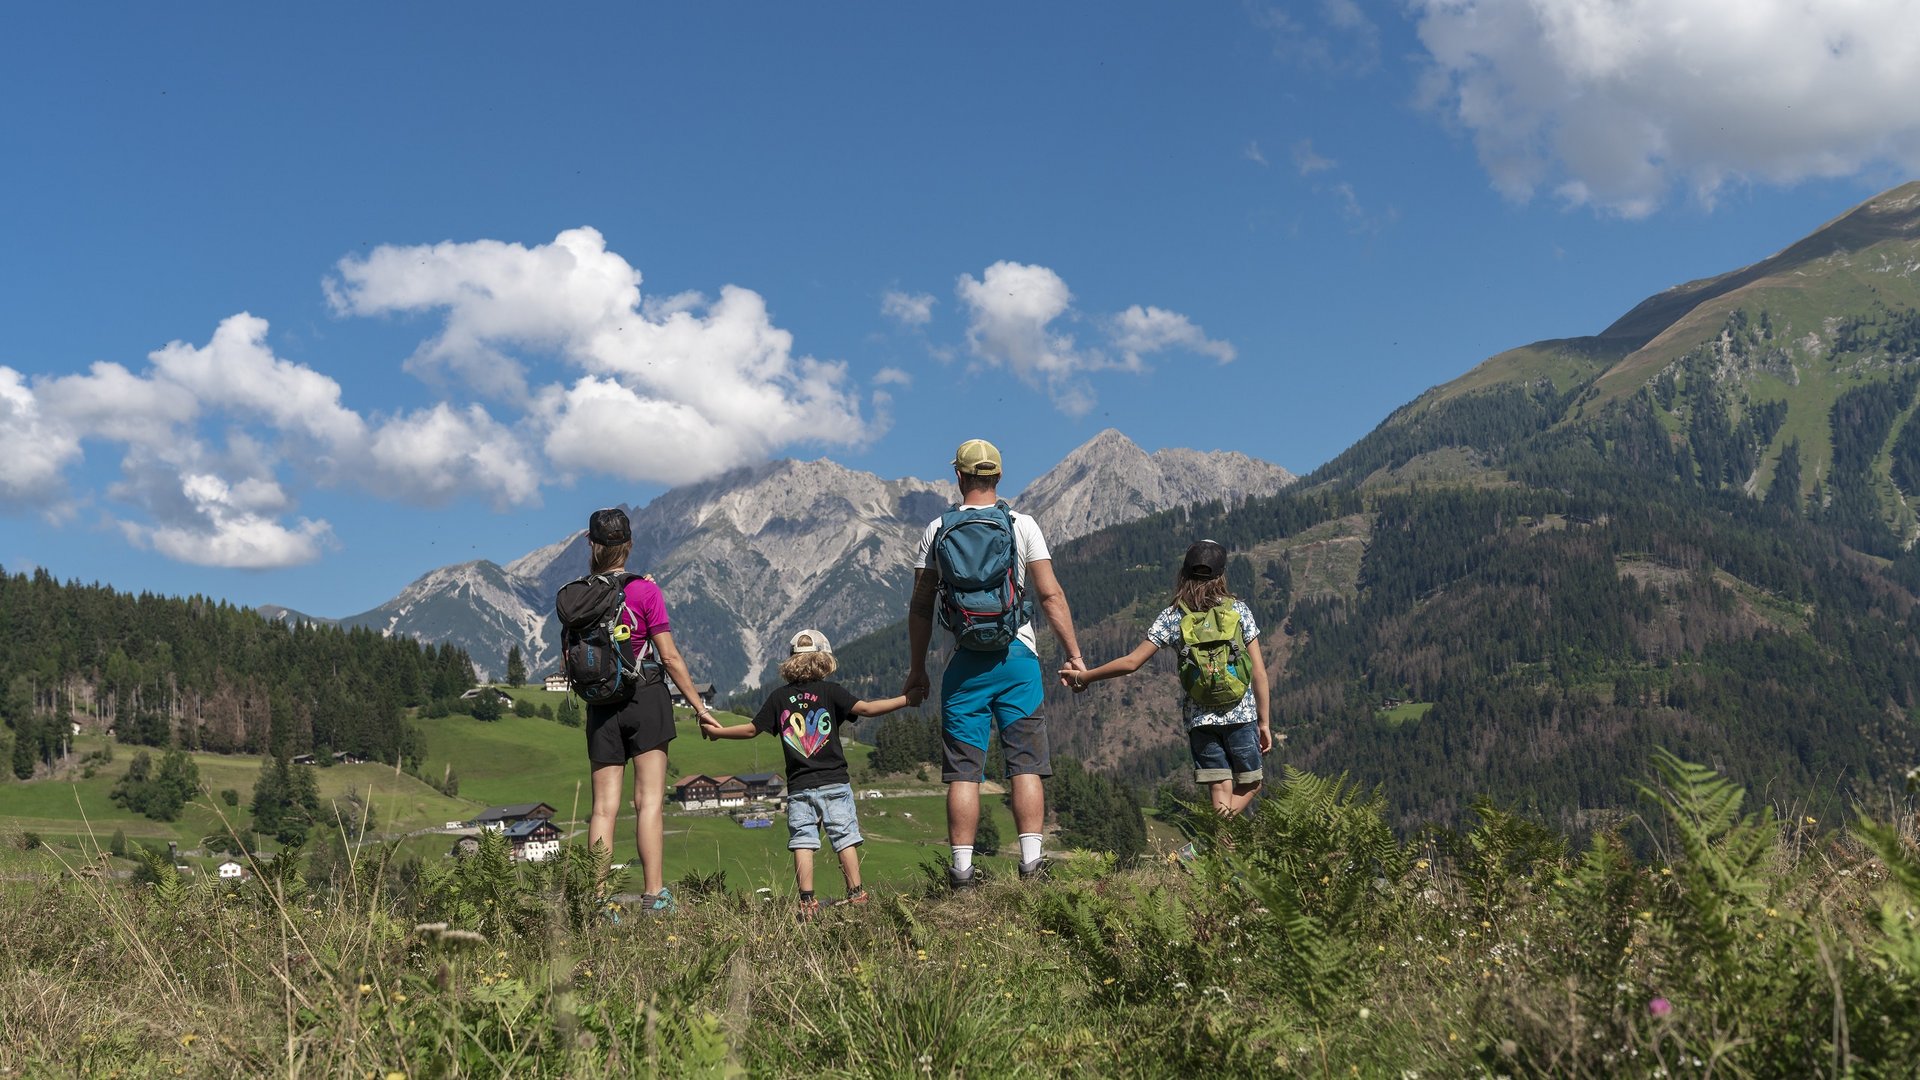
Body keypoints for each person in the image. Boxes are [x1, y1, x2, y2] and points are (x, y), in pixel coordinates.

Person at [903, 438, 1086, 888]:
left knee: (964, 769)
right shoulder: (1022, 525)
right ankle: (1031, 864)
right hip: (1018, 656)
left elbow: (921, 606)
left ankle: (962, 871)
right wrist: (1073, 654)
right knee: (1025, 762)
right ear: (999, 477)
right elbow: (1049, 595)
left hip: (965, 662)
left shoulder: (936, 530)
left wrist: (917, 667)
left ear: (959, 477)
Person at [700, 629, 921, 920]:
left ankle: (807, 901)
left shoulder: (779, 698)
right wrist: (906, 699)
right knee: (844, 837)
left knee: (803, 841)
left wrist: (718, 734)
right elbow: (867, 709)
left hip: (800, 786)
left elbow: (752, 729)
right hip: (834, 782)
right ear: (824, 659)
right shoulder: (832, 692)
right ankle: (856, 894)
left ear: (791, 662)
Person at [1063, 539, 1272, 817]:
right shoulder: (1238, 611)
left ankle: (1214, 853)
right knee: (1252, 782)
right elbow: (1258, 671)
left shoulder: (1173, 616)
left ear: (1183, 573)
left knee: (1219, 793)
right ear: (1221, 575)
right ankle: (1203, 849)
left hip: (1200, 720)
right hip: (1241, 715)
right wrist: (1264, 721)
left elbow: (1132, 662)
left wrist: (1085, 677)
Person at [580, 507, 714, 915]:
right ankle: (654, 896)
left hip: (601, 706)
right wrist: (698, 705)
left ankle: (598, 900)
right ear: (629, 545)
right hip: (646, 699)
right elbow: (670, 657)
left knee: (603, 807)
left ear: (591, 544)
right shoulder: (645, 591)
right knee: (649, 802)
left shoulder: (577, 595)